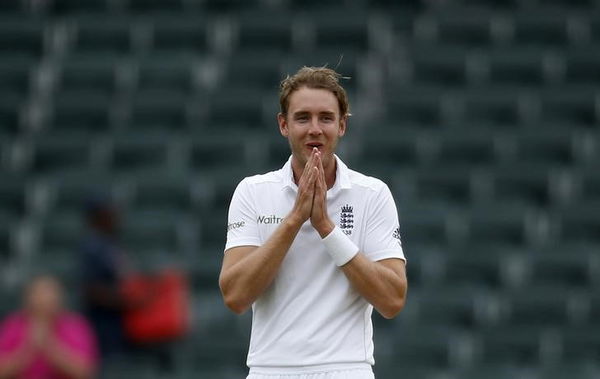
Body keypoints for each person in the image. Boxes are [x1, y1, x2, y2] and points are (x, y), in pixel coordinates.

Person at [219, 67, 408, 379]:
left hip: (347, 369)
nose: (315, 129)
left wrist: (326, 228)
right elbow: (235, 296)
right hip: (271, 370)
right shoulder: (252, 192)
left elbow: (392, 300)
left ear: (342, 125)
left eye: (326, 118)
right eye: (303, 117)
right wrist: (294, 220)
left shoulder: (372, 194)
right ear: (284, 124)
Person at [0, 274, 98, 379]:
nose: (45, 301)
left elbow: (86, 373)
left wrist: (50, 346)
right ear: (27, 298)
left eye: (50, 295)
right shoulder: (13, 325)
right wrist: (27, 350)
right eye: (39, 295)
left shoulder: (76, 325)